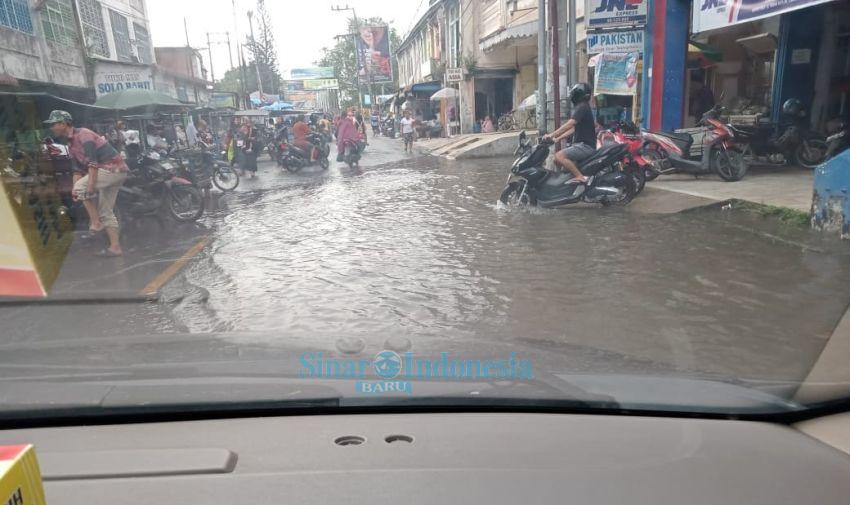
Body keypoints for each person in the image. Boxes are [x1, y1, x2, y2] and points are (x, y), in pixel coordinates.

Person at [44, 110, 128, 257]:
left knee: (82, 188)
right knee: (106, 211)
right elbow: (76, 170)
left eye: (54, 124)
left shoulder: (84, 135)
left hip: (112, 169)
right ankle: (115, 247)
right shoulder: (70, 143)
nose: (52, 127)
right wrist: (75, 190)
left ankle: (96, 223)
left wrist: (87, 187)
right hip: (114, 172)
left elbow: (93, 163)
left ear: (63, 124)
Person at [544, 82, 597, 184]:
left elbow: (570, 124)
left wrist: (552, 135)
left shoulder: (582, 107)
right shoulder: (583, 107)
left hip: (586, 146)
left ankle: (580, 177)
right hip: (582, 145)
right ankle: (567, 183)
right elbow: (573, 129)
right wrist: (558, 138)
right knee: (556, 161)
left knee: (559, 156)